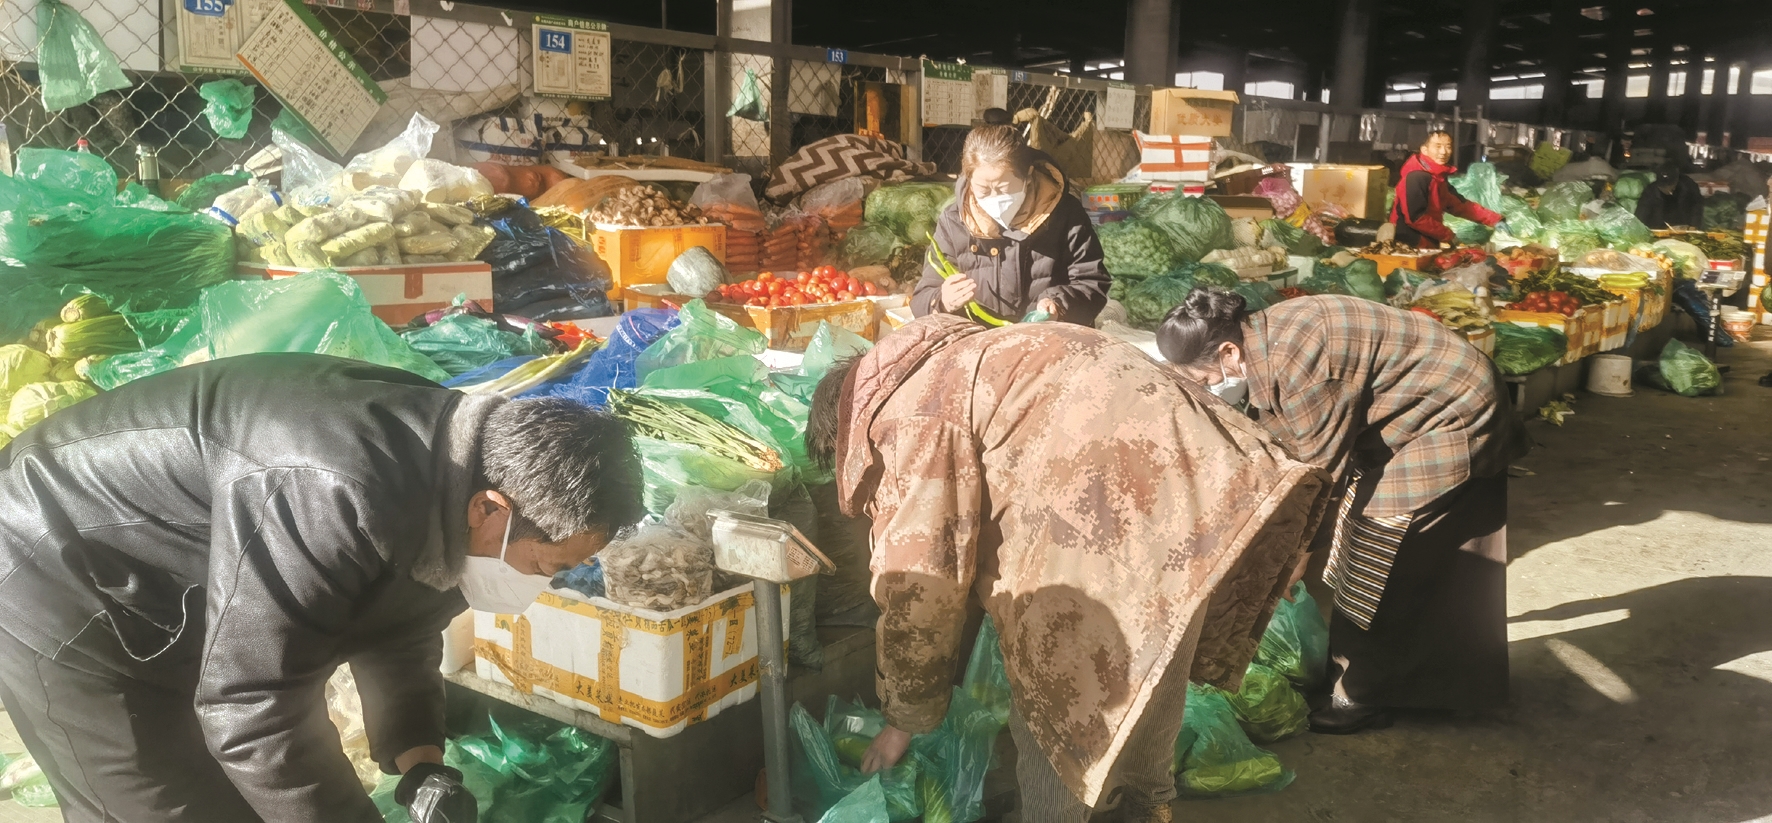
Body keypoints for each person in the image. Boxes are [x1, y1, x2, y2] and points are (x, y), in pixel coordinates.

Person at [0, 354, 642, 823]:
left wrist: (421, 765)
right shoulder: (335, 489)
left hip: (179, 585)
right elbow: (253, 705)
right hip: (52, 565)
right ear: (491, 511)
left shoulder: (463, 469)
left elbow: (400, 626)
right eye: (544, 564)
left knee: (246, 793)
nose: (542, 583)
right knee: (158, 802)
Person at [805, 314, 1329, 822]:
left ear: (844, 430)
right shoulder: (972, 353)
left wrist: (903, 721)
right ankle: (1149, 807)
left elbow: (921, 587)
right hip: (1204, 499)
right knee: (1158, 656)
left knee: (1057, 707)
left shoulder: (909, 417)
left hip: (1107, 525)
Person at [1157, 290, 1528, 734]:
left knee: (1378, 553)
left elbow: (1320, 480)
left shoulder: (1303, 370)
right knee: (1409, 558)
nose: (1210, 387)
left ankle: (1361, 695)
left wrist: (1294, 558)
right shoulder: (1264, 334)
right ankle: (1430, 682)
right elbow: (1282, 435)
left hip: (1454, 415)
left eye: (1206, 378)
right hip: (1429, 401)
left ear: (1228, 351)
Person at [912, 125, 1111, 326]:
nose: (994, 198)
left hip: (1047, 336)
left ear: (1028, 175)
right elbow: (922, 298)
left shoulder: (1064, 213)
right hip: (979, 338)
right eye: (983, 189)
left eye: (1003, 188)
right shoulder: (954, 221)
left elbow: (1092, 282)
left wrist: (1059, 305)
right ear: (968, 179)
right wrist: (943, 300)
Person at [1390, 130, 1505, 248]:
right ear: (1424, 150)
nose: (1443, 152)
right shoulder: (1416, 177)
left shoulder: (1437, 178)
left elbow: (1459, 205)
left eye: (1448, 147)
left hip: (1426, 243)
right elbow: (1415, 218)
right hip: (1407, 245)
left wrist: (1494, 220)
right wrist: (1448, 235)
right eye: (1438, 146)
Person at [1633, 161, 1704, 230]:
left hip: (1684, 228)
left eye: (1670, 187)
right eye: (1663, 187)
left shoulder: (1688, 186)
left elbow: (1697, 205)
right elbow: (1641, 215)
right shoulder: (1650, 192)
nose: (1667, 190)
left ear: (1676, 181)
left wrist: (1694, 225)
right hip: (1659, 230)